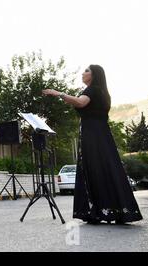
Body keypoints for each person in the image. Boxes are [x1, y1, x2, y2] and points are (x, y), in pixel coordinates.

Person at [43, 64, 142, 224]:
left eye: (87, 71)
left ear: (95, 75)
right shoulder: (102, 92)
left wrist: (58, 93)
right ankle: (114, 211)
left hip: (93, 136)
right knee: (106, 168)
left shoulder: (93, 90)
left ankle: (98, 211)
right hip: (101, 134)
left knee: (94, 169)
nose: (83, 73)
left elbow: (80, 103)